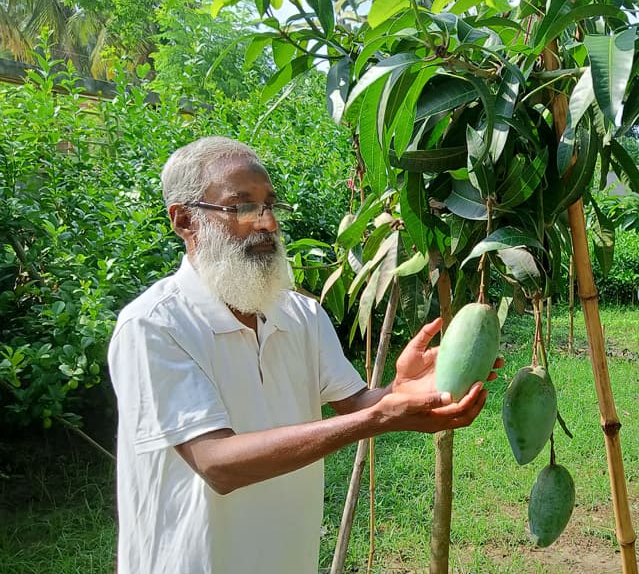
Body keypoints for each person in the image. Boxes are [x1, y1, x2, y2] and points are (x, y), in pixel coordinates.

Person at [107, 136, 497, 574]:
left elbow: (356, 403)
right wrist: (378, 416)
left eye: (271, 205)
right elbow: (216, 464)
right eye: (242, 207)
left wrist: (396, 391)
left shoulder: (299, 314)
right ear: (184, 220)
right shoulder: (154, 325)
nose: (268, 223)